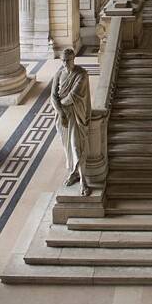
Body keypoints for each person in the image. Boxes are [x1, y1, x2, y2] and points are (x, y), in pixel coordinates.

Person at [51, 48, 92, 196]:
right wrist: (61, 112)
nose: (65, 63)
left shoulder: (81, 74)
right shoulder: (59, 74)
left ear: (73, 59)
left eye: (67, 60)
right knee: (67, 147)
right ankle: (74, 173)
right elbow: (52, 97)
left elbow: (73, 96)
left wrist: (61, 105)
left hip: (75, 114)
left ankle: (83, 181)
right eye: (62, 60)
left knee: (76, 146)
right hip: (63, 116)